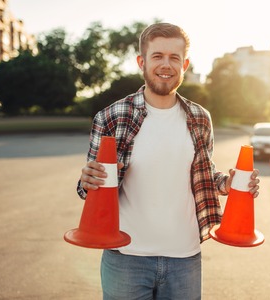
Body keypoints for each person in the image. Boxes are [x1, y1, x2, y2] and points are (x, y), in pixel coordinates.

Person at [77, 22, 260, 300]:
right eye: (158, 56)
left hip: (184, 258)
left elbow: (204, 175)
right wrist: (87, 180)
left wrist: (231, 184)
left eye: (174, 57)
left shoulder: (199, 118)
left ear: (184, 64)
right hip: (126, 258)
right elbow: (90, 188)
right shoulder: (111, 117)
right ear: (142, 61)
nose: (166, 64)